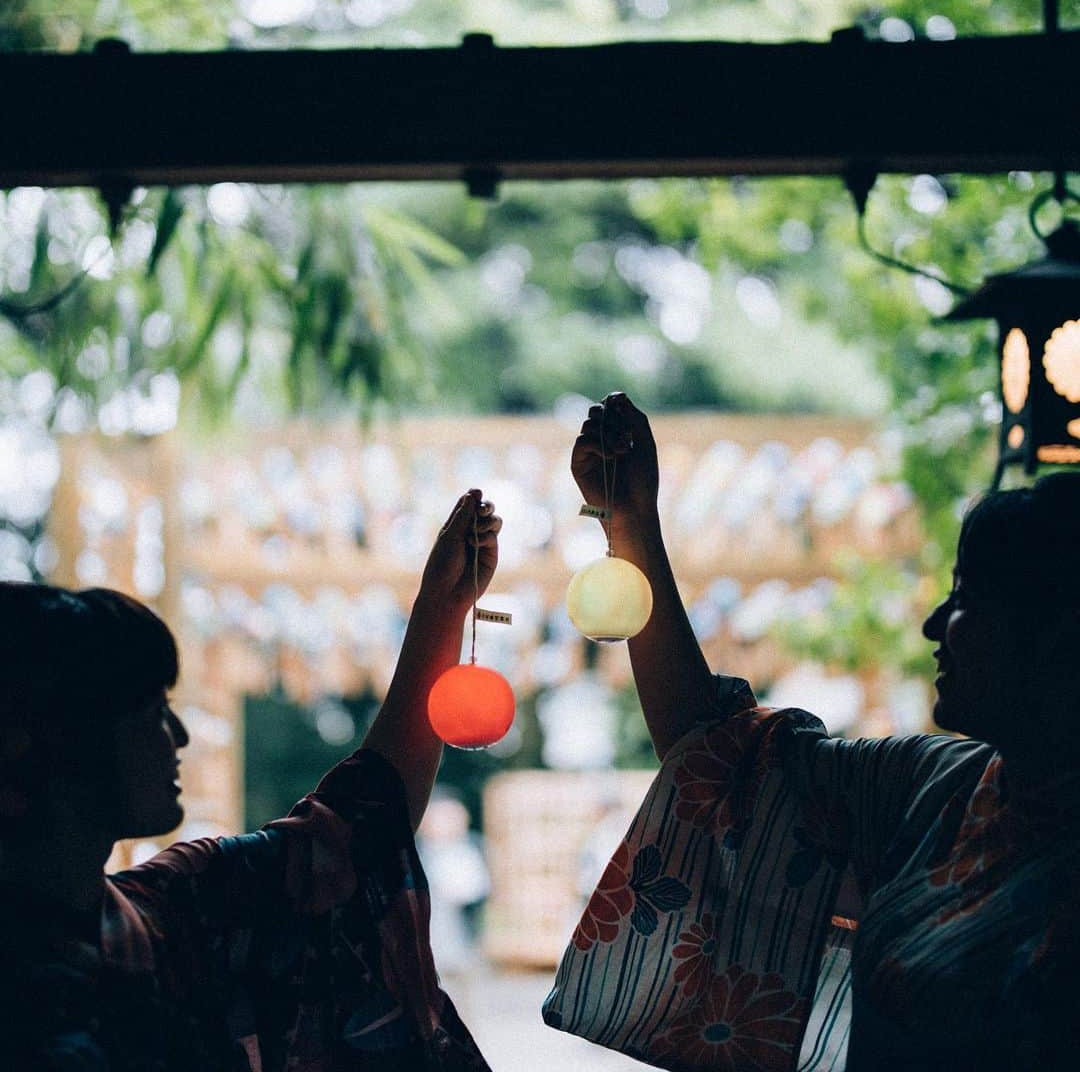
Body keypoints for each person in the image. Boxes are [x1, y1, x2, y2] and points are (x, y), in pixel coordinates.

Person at [544, 394, 1080, 1071]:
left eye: (968, 598)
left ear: (1063, 641)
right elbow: (715, 754)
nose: (933, 624)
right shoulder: (939, 788)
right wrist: (630, 524)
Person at [0, 489, 502, 1071]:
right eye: (150, 713)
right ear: (40, 742)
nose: (179, 735)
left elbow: (353, 827)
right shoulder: (165, 921)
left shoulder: (175, 909)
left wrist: (442, 611)